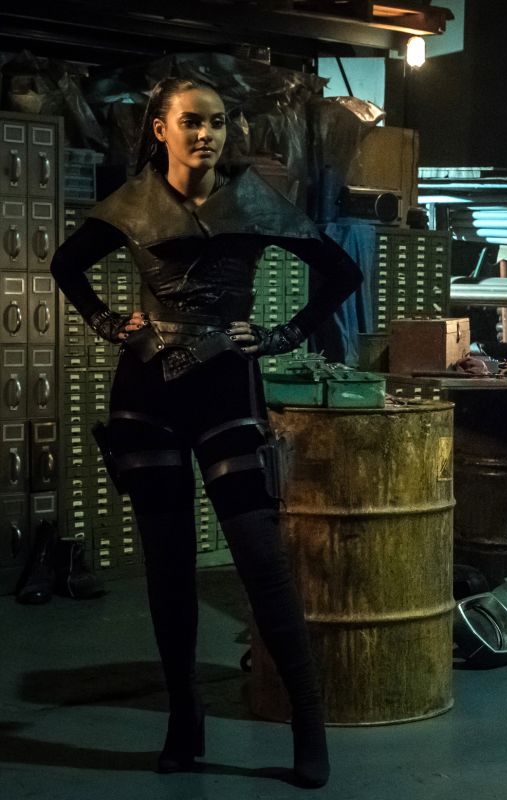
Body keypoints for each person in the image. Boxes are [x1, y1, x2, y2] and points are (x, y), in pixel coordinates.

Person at [50, 76, 362, 788]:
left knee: (261, 559)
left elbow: (340, 273)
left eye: (217, 123)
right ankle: (183, 722)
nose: (207, 135)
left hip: (226, 388)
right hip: (146, 393)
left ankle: (307, 724)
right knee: (168, 566)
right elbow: (66, 264)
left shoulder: (253, 200)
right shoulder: (133, 202)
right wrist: (108, 323)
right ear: (161, 128)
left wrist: (280, 335)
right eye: (192, 122)